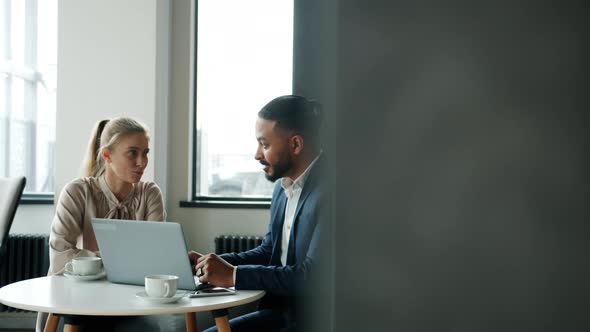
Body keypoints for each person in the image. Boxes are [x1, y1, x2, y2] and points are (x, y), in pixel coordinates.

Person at [190, 95, 324, 331]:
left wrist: (233, 275)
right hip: (277, 314)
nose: (257, 154)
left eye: (265, 144)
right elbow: (268, 252)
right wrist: (211, 264)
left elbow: (311, 278)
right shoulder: (282, 189)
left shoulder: (335, 194)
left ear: (295, 144)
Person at [38, 117, 166, 331]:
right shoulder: (77, 192)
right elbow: (60, 258)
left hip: (129, 304)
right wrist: (123, 262)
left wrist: (91, 261)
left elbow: (155, 260)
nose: (142, 162)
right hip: (74, 304)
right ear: (107, 155)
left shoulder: (149, 193)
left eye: (145, 153)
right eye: (132, 153)